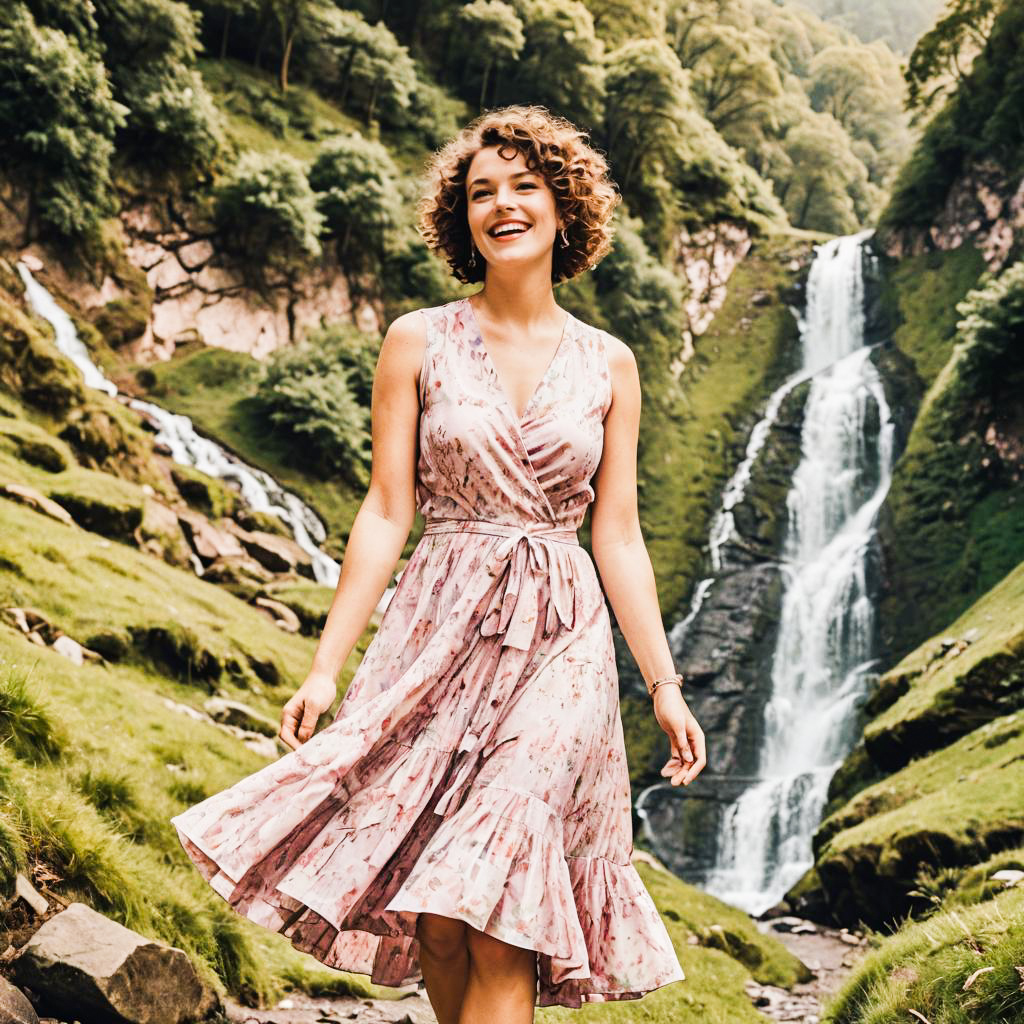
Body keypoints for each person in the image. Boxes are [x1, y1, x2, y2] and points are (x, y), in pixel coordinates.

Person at [170, 104, 706, 1024]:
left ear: (564, 204)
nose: (501, 204)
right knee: (443, 922)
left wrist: (662, 683)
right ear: (462, 220)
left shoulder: (611, 364)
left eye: (524, 186)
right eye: (480, 192)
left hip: (561, 639)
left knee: (500, 905)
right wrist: (327, 665)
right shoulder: (417, 340)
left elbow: (616, 534)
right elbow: (387, 509)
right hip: (438, 623)